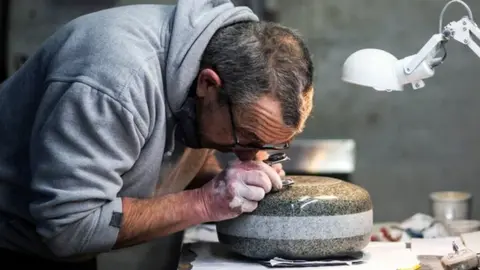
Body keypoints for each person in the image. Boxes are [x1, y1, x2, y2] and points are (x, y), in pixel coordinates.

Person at [0, 0, 314, 268]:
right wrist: (207, 202)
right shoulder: (113, 85)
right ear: (208, 84)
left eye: (270, 143)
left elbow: (189, 143)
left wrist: (228, 185)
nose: (253, 154)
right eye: (246, 136)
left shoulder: (213, 52)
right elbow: (67, 228)